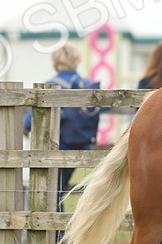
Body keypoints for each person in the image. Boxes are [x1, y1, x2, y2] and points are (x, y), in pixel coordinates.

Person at [25, 43, 105, 211]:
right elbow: (104, 105)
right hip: (84, 144)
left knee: (53, 192)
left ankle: (58, 233)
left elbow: (28, 121)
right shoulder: (88, 84)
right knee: (63, 190)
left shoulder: (51, 85)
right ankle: (63, 231)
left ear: (55, 62)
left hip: (58, 146)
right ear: (76, 60)